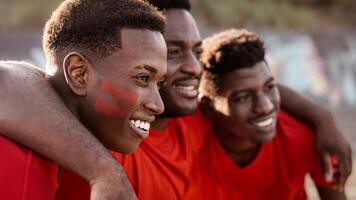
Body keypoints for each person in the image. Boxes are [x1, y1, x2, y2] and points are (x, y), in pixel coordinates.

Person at [0, 0, 351, 199]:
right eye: (144, 76)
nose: (195, 68)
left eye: (197, 52)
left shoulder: (193, 118)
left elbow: (244, 86)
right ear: (79, 73)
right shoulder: (52, 145)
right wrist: (105, 172)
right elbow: (11, 80)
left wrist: (322, 116)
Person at [0, 0, 167, 199]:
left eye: (159, 83)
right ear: (79, 74)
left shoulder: (94, 161)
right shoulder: (17, 164)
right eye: (142, 78)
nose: (158, 106)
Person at [185, 28, 346, 199]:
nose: (265, 107)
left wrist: (323, 117)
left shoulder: (302, 137)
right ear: (209, 106)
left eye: (269, 87)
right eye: (242, 97)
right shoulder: (186, 139)